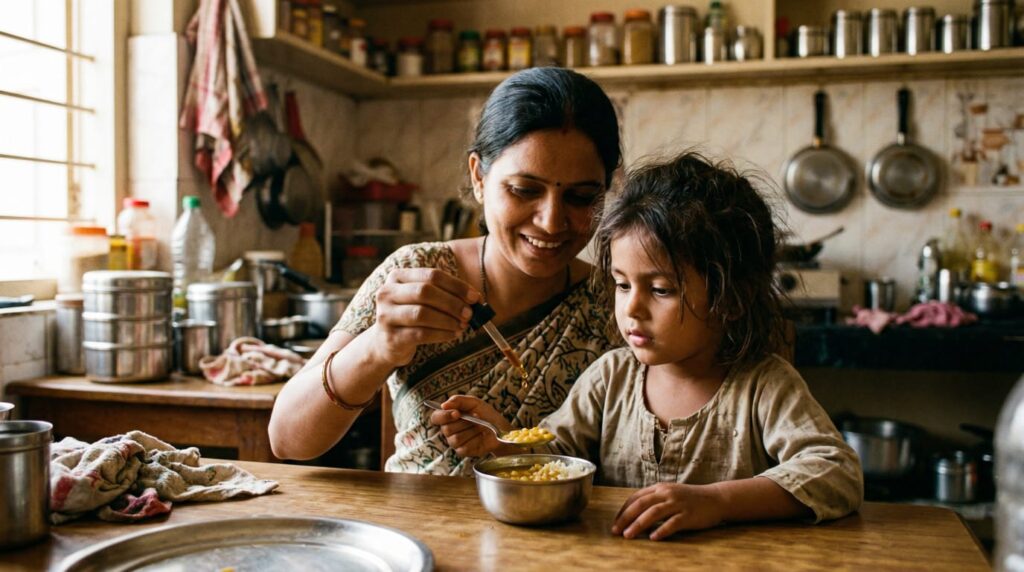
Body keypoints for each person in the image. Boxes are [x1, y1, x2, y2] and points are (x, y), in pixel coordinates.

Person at [432, 152, 863, 539]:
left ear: (730, 298)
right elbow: (557, 457)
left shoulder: (764, 387)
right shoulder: (609, 378)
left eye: (660, 290)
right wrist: (501, 441)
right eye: (622, 285)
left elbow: (835, 472)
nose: (631, 308)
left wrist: (717, 502)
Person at [268, 67, 623, 474]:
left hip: (558, 532)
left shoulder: (615, 304)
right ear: (478, 177)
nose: (551, 221)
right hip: (416, 526)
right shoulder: (416, 274)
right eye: (524, 190)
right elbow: (287, 439)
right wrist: (379, 346)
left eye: (581, 197)